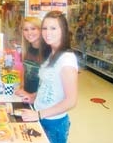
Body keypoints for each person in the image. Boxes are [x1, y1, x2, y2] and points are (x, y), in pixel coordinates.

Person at [21, 11, 78, 143]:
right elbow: (48, 85)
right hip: (41, 116)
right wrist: (34, 96)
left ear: (63, 31)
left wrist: (39, 114)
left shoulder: (66, 59)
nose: (47, 32)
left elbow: (71, 101)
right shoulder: (50, 54)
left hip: (54, 123)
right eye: (45, 28)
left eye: (53, 28)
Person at [15, 16, 42, 103]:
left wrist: (33, 96)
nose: (29, 32)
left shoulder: (48, 52)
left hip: (41, 100)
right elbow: (24, 71)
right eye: (25, 29)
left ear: (40, 30)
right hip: (27, 97)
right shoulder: (26, 50)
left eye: (33, 29)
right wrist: (22, 87)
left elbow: (52, 84)